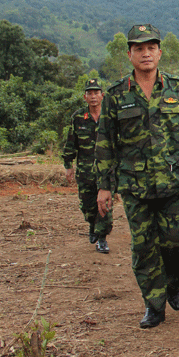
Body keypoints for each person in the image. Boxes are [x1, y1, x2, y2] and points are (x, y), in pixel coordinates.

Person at [95, 24, 179, 329]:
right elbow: (105, 142)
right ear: (130, 54)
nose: (146, 53)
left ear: (159, 52)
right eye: (139, 49)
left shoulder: (176, 88)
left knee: (176, 243)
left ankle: (173, 283)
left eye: (151, 48)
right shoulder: (117, 94)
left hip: (172, 183)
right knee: (143, 247)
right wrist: (105, 187)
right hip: (134, 186)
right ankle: (154, 305)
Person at [63, 78, 113, 254]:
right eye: (90, 93)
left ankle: (102, 238)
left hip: (106, 171)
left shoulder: (109, 117)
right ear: (85, 97)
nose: (93, 96)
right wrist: (68, 164)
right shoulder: (78, 117)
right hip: (85, 170)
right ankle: (92, 224)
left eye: (96, 93)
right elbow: (71, 143)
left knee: (105, 204)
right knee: (88, 205)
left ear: (102, 95)